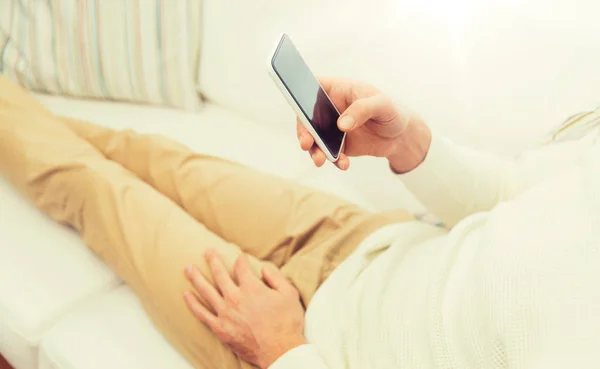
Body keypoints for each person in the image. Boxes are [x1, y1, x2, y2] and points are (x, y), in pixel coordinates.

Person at [1, 74, 599, 369]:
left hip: (312, 337)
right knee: (157, 158)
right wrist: (410, 144)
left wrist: (284, 347)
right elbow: (509, 196)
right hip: (373, 240)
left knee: (94, 189)